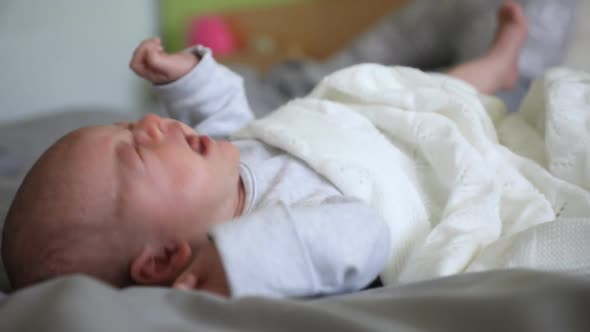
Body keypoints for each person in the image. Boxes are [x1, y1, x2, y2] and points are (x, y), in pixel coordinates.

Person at [1, 2, 528, 298]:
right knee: (453, 106)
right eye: (135, 152)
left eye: (126, 123)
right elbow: (362, 236)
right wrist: (239, 264)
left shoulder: (225, 168)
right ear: (163, 256)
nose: (148, 123)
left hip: (376, 116)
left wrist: (189, 78)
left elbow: (231, 114)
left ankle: (490, 68)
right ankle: (492, 77)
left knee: (415, 88)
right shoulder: (266, 236)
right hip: (425, 166)